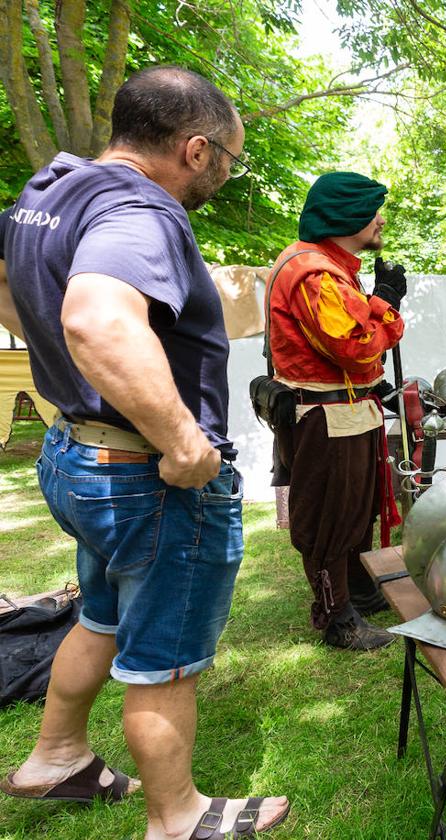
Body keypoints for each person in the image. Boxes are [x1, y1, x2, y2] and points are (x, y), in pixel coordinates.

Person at [0, 67, 289, 839]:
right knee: (164, 655)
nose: (224, 176)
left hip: (78, 458)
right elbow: (97, 321)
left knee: (99, 617)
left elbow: (11, 282)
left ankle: (54, 756)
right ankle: (179, 817)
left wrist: (57, 362)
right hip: (143, 475)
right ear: (196, 148)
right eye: (227, 160)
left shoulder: (51, 189)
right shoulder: (140, 209)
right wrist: (183, 440)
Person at [268, 172, 406, 651]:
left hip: (347, 412)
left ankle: (360, 591)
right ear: (348, 216)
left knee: (355, 510)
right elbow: (355, 345)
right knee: (332, 517)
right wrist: (386, 304)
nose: (381, 218)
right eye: (374, 210)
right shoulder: (315, 272)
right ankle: (337, 619)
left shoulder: (331, 265)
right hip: (328, 419)